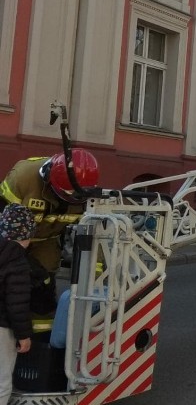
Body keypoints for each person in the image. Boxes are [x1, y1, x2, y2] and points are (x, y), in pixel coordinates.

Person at [0, 149, 99, 316]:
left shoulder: (89, 197)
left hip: (47, 240)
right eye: (67, 194)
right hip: (12, 239)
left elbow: (96, 239)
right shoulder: (23, 178)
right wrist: (21, 259)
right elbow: (4, 221)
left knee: (44, 281)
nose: (71, 199)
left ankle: (40, 331)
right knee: (13, 278)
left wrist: (96, 282)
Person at [0, 204, 38, 405]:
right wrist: (24, 335)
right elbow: (17, 303)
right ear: (28, 234)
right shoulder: (17, 260)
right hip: (1, 328)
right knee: (1, 381)